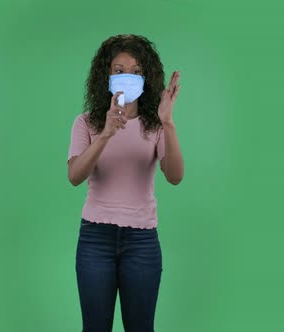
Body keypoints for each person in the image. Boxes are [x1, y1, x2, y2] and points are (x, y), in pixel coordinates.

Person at [67, 34, 184, 332]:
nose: (127, 76)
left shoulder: (155, 126)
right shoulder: (86, 123)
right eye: (118, 70)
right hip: (95, 240)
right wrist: (105, 133)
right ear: (105, 75)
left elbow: (175, 176)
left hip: (142, 243)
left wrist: (168, 123)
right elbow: (75, 176)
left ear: (146, 78)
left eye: (136, 71)